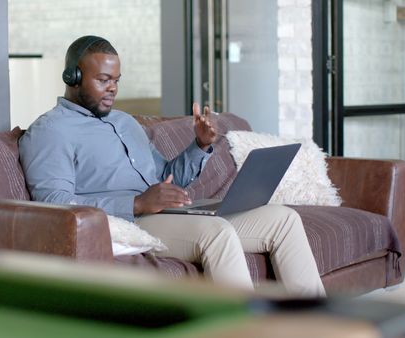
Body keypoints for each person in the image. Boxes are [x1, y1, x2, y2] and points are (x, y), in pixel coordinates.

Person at [18, 35, 325, 297]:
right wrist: (136, 202)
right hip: (132, 223)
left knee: (283, 219)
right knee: (216, 232)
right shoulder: (50, 131)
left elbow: (167, 177)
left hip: (168, 213)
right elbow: (54, 205)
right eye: (103, 80)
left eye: (116, 81)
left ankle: (324, 326)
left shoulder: (125, 122)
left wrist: (200, 145)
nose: (112, 88)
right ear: (72, 76)